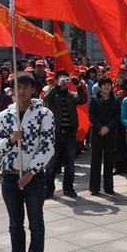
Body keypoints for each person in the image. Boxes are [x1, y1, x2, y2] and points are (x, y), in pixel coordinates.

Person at [0, 72, 55, 252]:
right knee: (15, 224)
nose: (21, 91)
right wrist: (11, 140)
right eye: (17, 87)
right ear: (11, 90)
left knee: (36, 222)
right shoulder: (5, 115)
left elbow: (48, 147)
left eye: (25, 87)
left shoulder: (44, 114)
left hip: (33, 178)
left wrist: (30, 173)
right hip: (10, 177)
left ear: (33, 89)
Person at [43, 70, 87, 198]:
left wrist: (78, 86)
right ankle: (48, 189)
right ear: (56, 81)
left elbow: (83, 100)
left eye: (66, 79)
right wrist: (57, 87)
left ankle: (68, 188)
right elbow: (46, 99)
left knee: (70, 164)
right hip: (55, 134)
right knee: (52, 163)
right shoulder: (53, 93)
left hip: (70, 134)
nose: (64, 82)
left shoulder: (71, 95)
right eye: (62, 79)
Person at [88, 75, 120, 195]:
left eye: (108, 84)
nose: (107, 87)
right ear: (100, 86)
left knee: (109, 159)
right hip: (97, 132)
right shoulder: (93, 99)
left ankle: (108, 187)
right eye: (104, 85)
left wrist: (108, 127)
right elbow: (91, 115)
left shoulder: (116, 99)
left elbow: (117, 116)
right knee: (96, 159)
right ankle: (94, 187)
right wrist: (101, 127)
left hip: (110, 132)